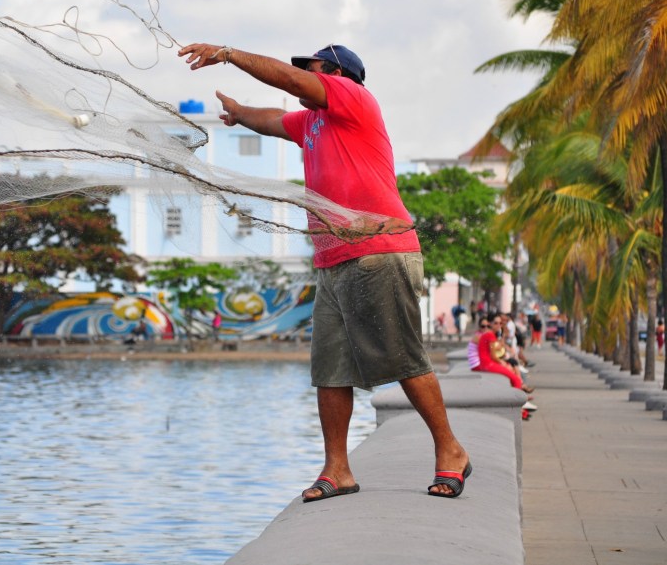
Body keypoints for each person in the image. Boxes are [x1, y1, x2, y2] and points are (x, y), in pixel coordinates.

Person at [179, 41, 470, 499]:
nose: (304, 74)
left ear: (334, 72)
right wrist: (238, 112)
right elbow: (273, 120)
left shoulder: (352, 98)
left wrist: (229, 54)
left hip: (378, 250)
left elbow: (290, 82)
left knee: (404, 358)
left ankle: (450, 450)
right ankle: (338, 469)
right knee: (330, 369)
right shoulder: (312, 122)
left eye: (311, 67)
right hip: (333, 259)